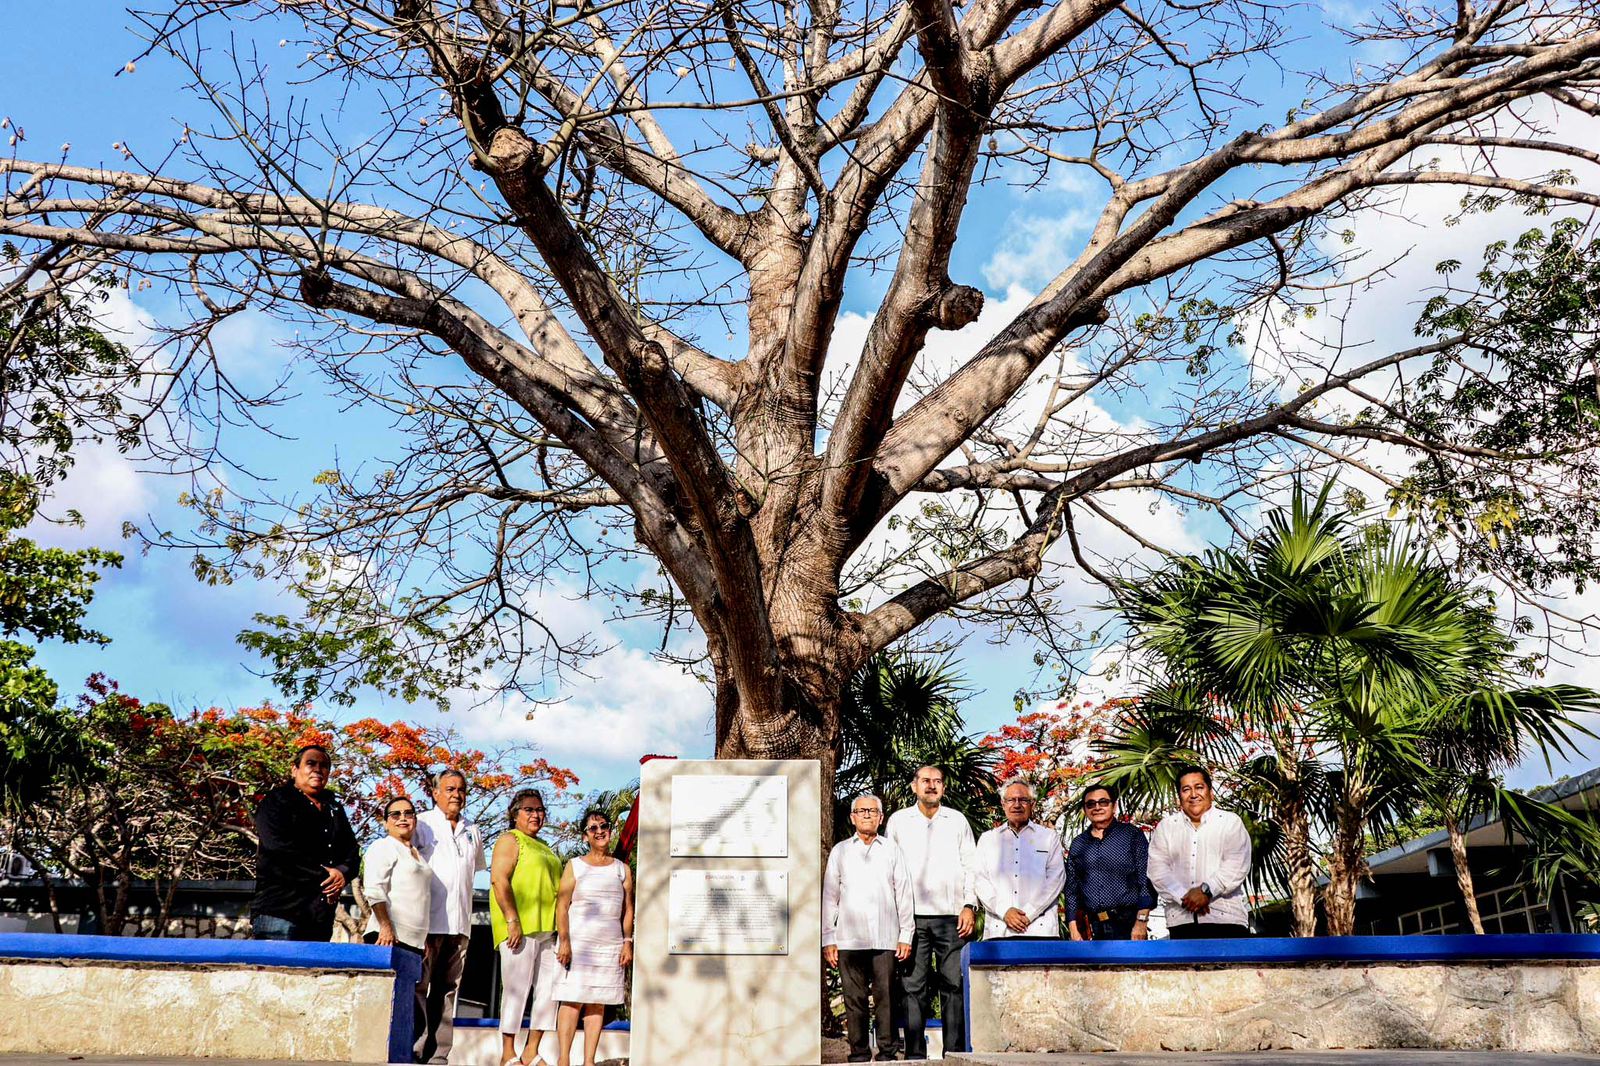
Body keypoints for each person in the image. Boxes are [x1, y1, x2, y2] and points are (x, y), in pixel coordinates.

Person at [885, 765, 976, 1059]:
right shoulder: (899, 821)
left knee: (954, 985)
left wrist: (969, 905)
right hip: (912, 920)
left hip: (952, 918)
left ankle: (955, 1055)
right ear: (914, 786)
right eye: (926, 781)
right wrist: (898, 921)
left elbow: (970, 866)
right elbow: (891, 871)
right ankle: (914, 1056)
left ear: (944, 788)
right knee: (913, 988)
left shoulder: (957, 821)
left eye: (937, 782)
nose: (932, 786)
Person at [823, 794, 914, 1064]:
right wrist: (828, 938)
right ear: (852, 817)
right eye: (861, 811)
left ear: (881, 817)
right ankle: (859, 1054)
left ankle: (887, 1053)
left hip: (885, 938)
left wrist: (906, 934)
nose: (866, 815)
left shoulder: (892, 849)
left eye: (872, 811)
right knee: (855, 999)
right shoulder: (840, 851)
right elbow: (830, 897)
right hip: (849, 939)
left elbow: (904, 893)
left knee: (886, 997)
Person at [414, 768, 488, 1064]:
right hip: (429, 921)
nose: (456, 794)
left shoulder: (472, 829)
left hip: (460, 923)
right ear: (435, 793)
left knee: (447, 992)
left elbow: (474, 870)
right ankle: (415, 1048)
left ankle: (439, 1055)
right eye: (449, 789)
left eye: (460, 789)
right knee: (419, 986)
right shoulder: (422, 823)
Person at [252, 743, 361, 941]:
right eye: (311, 763)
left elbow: (352, 852)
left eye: (324, 765)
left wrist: (342, 874)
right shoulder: (276, 801)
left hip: (320, 918)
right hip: (280, 914)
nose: (318, 769)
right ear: (295, 770)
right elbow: (279, 849)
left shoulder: (334, 808)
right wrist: (326, 877)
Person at [553, 810, 634, 1066]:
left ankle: (589, 1061)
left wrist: (627, 942)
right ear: (586, 835)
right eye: (593, 828)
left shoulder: (622, 869)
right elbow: (562, 906)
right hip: (579, 944)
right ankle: (563, 1059)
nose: (599, 831)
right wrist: (564, 941)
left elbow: (628, 909)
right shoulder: (574, 865)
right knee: (573, 998)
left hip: (610, 945)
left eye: (603, 826)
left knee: (597, 1002)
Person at [491, 788, 565, 1066]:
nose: (536, 815)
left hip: (549, 930)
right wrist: (512, 919)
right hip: (519, 927)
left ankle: (531, 1050)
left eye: (540, 809)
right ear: (515, 814)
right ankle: (508, 1052)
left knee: (549, 990)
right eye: (529, 810)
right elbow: (500, 880)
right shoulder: (510, 840)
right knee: (516, 989)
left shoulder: (545, 847)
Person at [1147, 766, 1253, 939]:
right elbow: (1157, 870)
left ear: (1211, 792)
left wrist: (1206, 891)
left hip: (1226, 920)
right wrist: (1184, 898)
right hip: (1181, 922)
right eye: (1186, 789)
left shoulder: (1229, 822)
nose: (1193, 794)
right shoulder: (1166, 827)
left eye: (1199, 787)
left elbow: (1236, 866)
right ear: (1179, 796)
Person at [1063, 782, 1156, 941]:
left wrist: (1141, 922)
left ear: (1114, 806)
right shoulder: (1078, 843)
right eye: (1090, 804)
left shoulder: (1132, 835)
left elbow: (1146, 879)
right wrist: (1073, 928)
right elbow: (1072, 889)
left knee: (1131, 966)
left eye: (1103, 802)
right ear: (1085, 810)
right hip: (1093, 928)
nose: (1097, 807)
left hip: (1129, 924)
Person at [974, 781, 1065, 939]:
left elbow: (1056, 879)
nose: (1017, 805)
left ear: (1033, 804)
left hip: (1041, 931)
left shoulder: (1049, 837)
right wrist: (1005, 912)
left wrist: (1028, 914)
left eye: (1023, 800)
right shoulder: (988, 839)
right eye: (1011, 800)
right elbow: (980, 881)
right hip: (999, 931)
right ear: (1003, 804)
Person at [363, 795, 433, 954]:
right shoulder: (383, 846)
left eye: (408, 814)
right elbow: (374, 890)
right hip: (388, 937)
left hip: (415, 942)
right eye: (396, 815)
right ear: (386, 823)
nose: (403, 818)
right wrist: (385, 926)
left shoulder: (417, 853)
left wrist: (423, 938)